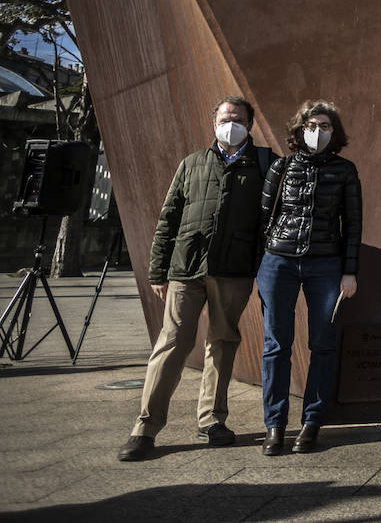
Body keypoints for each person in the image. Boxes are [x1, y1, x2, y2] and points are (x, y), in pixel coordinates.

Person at [118, 95, 274, 461]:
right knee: (171, 342)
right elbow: (168, 218)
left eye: (237, 117)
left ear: (249, 124)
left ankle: (211, 419)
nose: (230, 123)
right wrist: (158, 271)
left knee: (222, 342)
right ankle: (145, 428)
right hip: (186, 269)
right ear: (213, 123)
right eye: (224, 117)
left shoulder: (265, 165)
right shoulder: (191, 164)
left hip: (233, 272)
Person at [257, 100, 362, 456]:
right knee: (276, 344)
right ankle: (274, 425)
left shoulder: (346, 171)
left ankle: (312, 422)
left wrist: (349, 272)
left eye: (326, 126)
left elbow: (353, 226)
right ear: (300, 130)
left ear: (335, 132)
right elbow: (263, 215)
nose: (317, 132)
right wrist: (264, 262)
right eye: (311, 125)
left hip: (326, 265)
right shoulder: (281, 167)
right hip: (279, 262)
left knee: (323, 343)